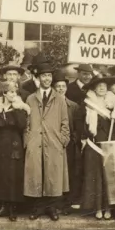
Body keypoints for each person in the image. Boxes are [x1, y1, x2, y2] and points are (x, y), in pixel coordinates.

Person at [24, 62, 71, 221]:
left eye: (49, 76)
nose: (47, 79)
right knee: (37, 174)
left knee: (52, 176)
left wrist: (62, 140)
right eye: (44, 76)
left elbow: (65, 122)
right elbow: (26, 122)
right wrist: (28, 140)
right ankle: (37, 208)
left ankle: (51, 208)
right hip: (35, 142)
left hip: (54, 143)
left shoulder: (59, 99)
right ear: (38, 78)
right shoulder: (30, 98)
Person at [81, 75, 115, 220]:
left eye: (104, 86)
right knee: (95, 178)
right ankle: (97, 208)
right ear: (94, 88)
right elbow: (82, 125)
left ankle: (108, 208)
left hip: (109, 143)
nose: (101, 88)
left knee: (109, 177)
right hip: (93, 145)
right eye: (99, 86)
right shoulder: (87, 104)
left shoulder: (113, 103)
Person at [0, 81, 30, 221]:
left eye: (15, 92)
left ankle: (12, 209)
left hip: (14, 145)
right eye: (11, 92)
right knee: (0, 176)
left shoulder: (20, 108)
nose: (13, 94)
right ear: (4, 93)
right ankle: (3, 207)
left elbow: (21, 124)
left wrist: (15, 110)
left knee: (13, 176)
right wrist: (3, 120)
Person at [52, 72, 85, 210]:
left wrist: (72, 140)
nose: (60, 89)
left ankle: (66, 202)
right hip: (53, 144)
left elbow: (77, 128)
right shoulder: (49, 105)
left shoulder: (73, 106)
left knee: (69, 172)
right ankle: (55, 202)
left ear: (66, 88)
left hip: (69, 146)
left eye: (63, 86)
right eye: (58, 86)